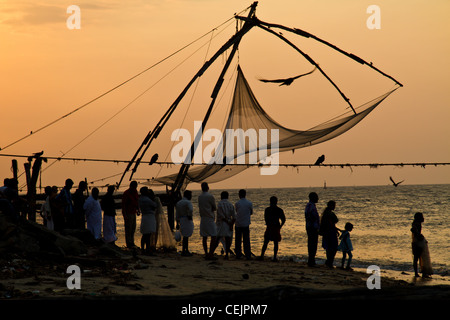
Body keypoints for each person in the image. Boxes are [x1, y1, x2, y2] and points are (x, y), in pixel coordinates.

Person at [259, 196, 286, 262]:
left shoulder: (267, 209)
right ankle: (274, 257)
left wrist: (268, 223)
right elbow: (283, 219)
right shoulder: (279, 210)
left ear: (270, 201)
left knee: (265, 242)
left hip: (269, 227)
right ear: (276, 202)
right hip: (276, 227)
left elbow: (265, 218)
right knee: (275, 243)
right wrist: (280, 226)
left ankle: (262, 255)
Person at [198, 182, 218, 260]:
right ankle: (211, 253)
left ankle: (206, 253)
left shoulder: (200, 197)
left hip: (203, 218)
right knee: (214, 236)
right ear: (208, 187)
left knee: (204, 237)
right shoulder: (210, 196)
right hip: (209, 218)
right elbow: (214, 207)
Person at [411, 212, 433, 278]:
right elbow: (414, 231)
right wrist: (420, 236)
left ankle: (418, 273)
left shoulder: (416, 223)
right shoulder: (417, 224)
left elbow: (413, 230)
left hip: (415, 242)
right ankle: (419, 273)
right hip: (417, 242)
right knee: (419, 257)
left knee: (417, 258)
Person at [319, 200, 340, 268]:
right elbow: (335, 220)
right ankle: (329, 262)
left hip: (327, 232)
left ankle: (329, 262)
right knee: (333, 247)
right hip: (330, 232)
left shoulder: (325, 213)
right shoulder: (329, 213)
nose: (334, 207)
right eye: (333, 205)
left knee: (329, 248)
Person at [216, 191, 236, 260]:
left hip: (221, 224)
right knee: (228, 240)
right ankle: (227, 254)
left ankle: (211, 252)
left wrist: (228, 223)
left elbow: (221, 216)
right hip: (229, 223)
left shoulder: (220, 204)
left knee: (217, 238)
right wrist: (231, 224)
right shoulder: (230, 204)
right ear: (227, 196)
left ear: (221, 196)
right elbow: (234, 217)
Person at [234, 189, 253, 260]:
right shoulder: (249, 203)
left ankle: (238, 254)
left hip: (238, 223)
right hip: (246, 223)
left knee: (238, 240)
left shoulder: (237, 203)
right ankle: (247, 254)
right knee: (246, 240)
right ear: (245, 194)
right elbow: (251, 212)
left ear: (239, 195)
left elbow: (236, 212)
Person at [139, 187, 157, 255]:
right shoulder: (147, 200)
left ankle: (143, 249)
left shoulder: (140, 199)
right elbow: (155, 205)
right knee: (148, 234)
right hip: (149, 217)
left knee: (144, 234)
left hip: (144, 216)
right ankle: (148, 249)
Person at [122, 181, 140, 248]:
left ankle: (132, 242)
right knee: (128, 229)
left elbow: (137, 201)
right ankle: (129, 244)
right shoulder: (126, 193)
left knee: (133, 228)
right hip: (128, 213)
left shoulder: (135, 192)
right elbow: (123, 205)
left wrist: (138, 210)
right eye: (134, 186)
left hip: (133, 212)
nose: (135, 188)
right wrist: (125, 215)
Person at [176, 190, 194, 256]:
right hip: (187, 219)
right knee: (186, 236)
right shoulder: (188, 202)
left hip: (181, 219)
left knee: (184, 235)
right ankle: (185, 250)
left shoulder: (179, 203)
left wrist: (177, 222)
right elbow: (191, 210)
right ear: (188, 195)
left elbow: (177, 214)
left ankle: (184, 250)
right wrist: (189, 215)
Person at [305, 192, 320, 267]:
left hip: (310, 227)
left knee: (312, 244)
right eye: (316, 197)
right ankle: (311, 260)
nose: (318, 198)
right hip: (312, 228)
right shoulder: (311, 206)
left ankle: (311, 260)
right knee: (313, 244)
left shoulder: (310, 205)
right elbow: (311, 217)